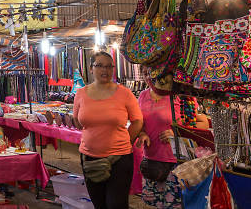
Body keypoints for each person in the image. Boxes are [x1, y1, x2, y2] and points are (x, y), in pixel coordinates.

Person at [72, 51, 143, 209]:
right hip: (89, 158)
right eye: (99, 66)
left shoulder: (125, 93)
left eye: (109, 66)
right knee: (99, 204)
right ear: (91, 69)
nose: (105, 70)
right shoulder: (81, 94)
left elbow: (137, 121)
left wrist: (125, 142)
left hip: (119, 160)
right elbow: (77, 121)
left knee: (116, 204)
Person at [136, 84, 208, 208]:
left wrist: (177, 132)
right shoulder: (143, 96)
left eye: (152, 71)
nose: (149, 75)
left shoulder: (181, 96)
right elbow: (140, 123)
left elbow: (203, 123)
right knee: (153, 204)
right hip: (151, 162)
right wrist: (142, 134)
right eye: (145, 72)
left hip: (176, 163)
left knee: (175, 205)